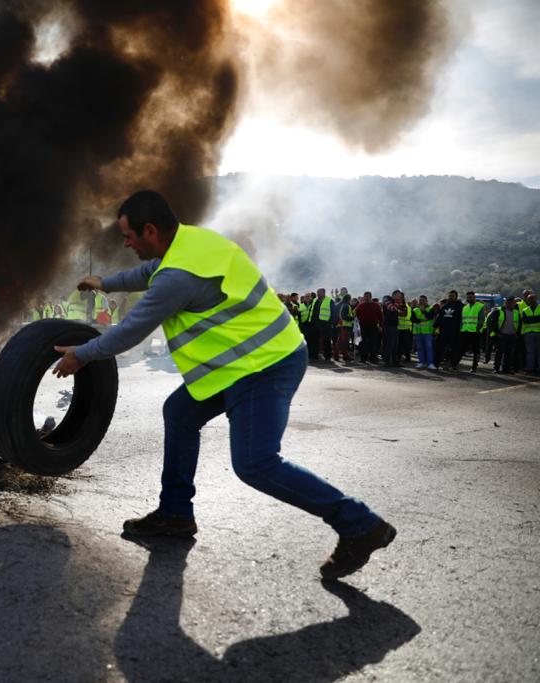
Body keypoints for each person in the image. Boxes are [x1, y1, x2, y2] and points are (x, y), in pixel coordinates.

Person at [52, 191, 394, 579]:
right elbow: (148, 272)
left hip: (265, 364)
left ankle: (359, 524)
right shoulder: (191, 243)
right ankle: (175, 513)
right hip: (243, 362)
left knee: (255, 463)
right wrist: (106, 283)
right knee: (180, 412)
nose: (126, 244)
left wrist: (83, 354)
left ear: (150, 230)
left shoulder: (177, 277)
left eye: (129, 236)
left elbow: (131, 330)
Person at [490, 296, 522, 374]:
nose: (514, 304)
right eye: (512, 302)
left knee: (509, 353)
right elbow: (493, 323)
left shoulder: (516, 312)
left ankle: (506, 369)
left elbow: (519, 324)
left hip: (512, 335)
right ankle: (496, 368)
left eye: (514, 303)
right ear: (507, 303)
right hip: (502, 335)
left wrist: (517, 334)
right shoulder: (499, 311)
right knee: (499, 353)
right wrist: (497, 333)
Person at [434, 290, 463, 371]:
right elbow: (440, 317)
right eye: (449, 296)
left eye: (452, 296)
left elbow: (462, 319)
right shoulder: (445, 306)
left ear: (456, 297)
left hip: (454, 332)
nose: (450, 297)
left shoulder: (460, 306)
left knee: (453, 350)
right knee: (439, 348)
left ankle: (451, 365)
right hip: (443, 332)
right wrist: (435, 325)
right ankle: (436, 364)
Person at [457, 291, 485, 373]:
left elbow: (481, 319)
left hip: (475, 332)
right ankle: (454, 364)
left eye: (470, 297)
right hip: (465, 331)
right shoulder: (465, 308)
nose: (469, 299)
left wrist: (477, 329)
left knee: (476, 351)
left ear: (474, 297)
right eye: (468, 297)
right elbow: (462, 320)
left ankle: (474, 367)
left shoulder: (480, 306)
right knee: (461, 349)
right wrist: (461, 329)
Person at [410, 295, 438, 370]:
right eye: (420, 300)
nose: (421, 302)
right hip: (417, 332)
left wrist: (424, 311)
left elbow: (430, 317)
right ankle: (422, 362)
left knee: (429, 348)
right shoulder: (415, 309)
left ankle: (430, 363)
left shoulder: (431, 309)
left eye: (423, 300)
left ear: (426, 301)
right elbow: (413, 319)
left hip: (428, 332)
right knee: (420, 348)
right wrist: (422, 320)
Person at [354, 292, 382, 363]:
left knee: (373, 343)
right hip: (363, 326)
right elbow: (356, 314)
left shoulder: (376, 305)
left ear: (371, 297)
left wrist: (381, 326)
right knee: (363, 343)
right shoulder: (360, 305)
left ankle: (373, 359)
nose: (366, 298)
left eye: (367, 296)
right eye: (365, 296)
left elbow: (381, 316)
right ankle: (363, 359)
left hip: (373, 326)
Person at [311, 288, 335, 361]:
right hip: (316, 324)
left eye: (319, 292)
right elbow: (313, 312)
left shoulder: (329, 300)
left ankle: (327, 356)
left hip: (326, 324)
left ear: (324, 293)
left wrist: (331, 322)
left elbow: (333, 312)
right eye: (317, 292)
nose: (318, 294)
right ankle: (315, 356)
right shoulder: (315, 301)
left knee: (327, 340)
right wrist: (313, 322)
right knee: (315, 340)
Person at [521, 292, 540, 376]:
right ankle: (531, 369)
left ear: (536, 299)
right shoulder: (525, 310)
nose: (531, 300)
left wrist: (531, 319)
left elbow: (527, 320)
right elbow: (525, 321)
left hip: (534, 333)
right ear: (528, 300)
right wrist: (537, 318)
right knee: (531, 352)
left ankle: (531, 369)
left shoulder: (525, 311)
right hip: (529, 333)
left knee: (532, 352)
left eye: (532, 299)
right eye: (530, 299)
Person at [334, 294, 355, 362]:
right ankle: (343, 355)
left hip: (340, 325)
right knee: (344, 341)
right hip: (345, 325)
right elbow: (344, 316)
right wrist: (352, 318)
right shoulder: (346, 305)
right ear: (349, 299)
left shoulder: (340, 304)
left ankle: (340, 355)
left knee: (341, 341)